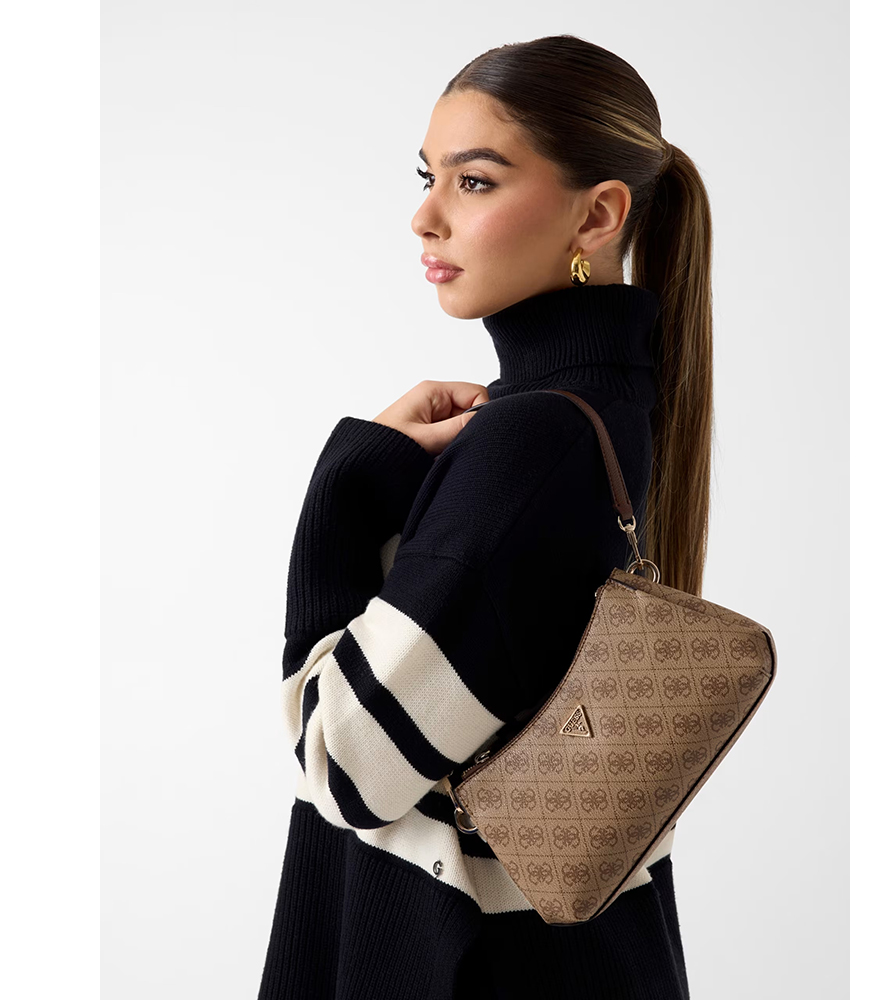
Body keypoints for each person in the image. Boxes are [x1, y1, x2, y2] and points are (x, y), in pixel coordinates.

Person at [257, 34, 711, 1000]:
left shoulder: (532, 444)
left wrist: (344, 486)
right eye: (428, 177)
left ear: (598, 214)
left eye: (473, 182)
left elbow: (346, 770)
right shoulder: (599, 408)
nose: (424, 217)